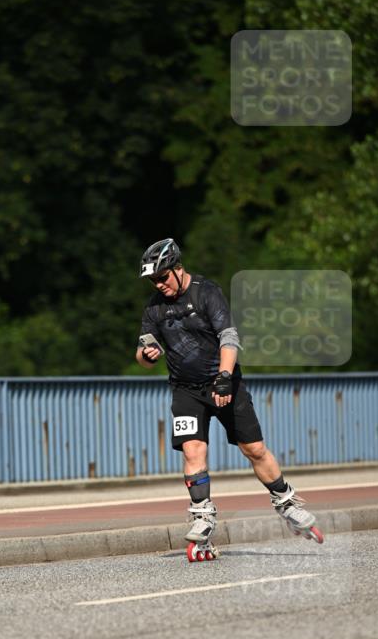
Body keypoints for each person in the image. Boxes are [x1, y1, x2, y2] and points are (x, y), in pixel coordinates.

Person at [136, 238, 322, 556]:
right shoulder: (155, 307)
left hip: (224, 384)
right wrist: (147, 355)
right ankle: (202, 517)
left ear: (178, 268)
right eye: (153, 280)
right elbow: (142, 354)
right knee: (193, 450)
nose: (159, 284)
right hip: (185, 390)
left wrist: (223, 378)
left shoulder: (206, 292)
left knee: (254, 449)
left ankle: (286, 502)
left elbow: (229, 337)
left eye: (162, 277)